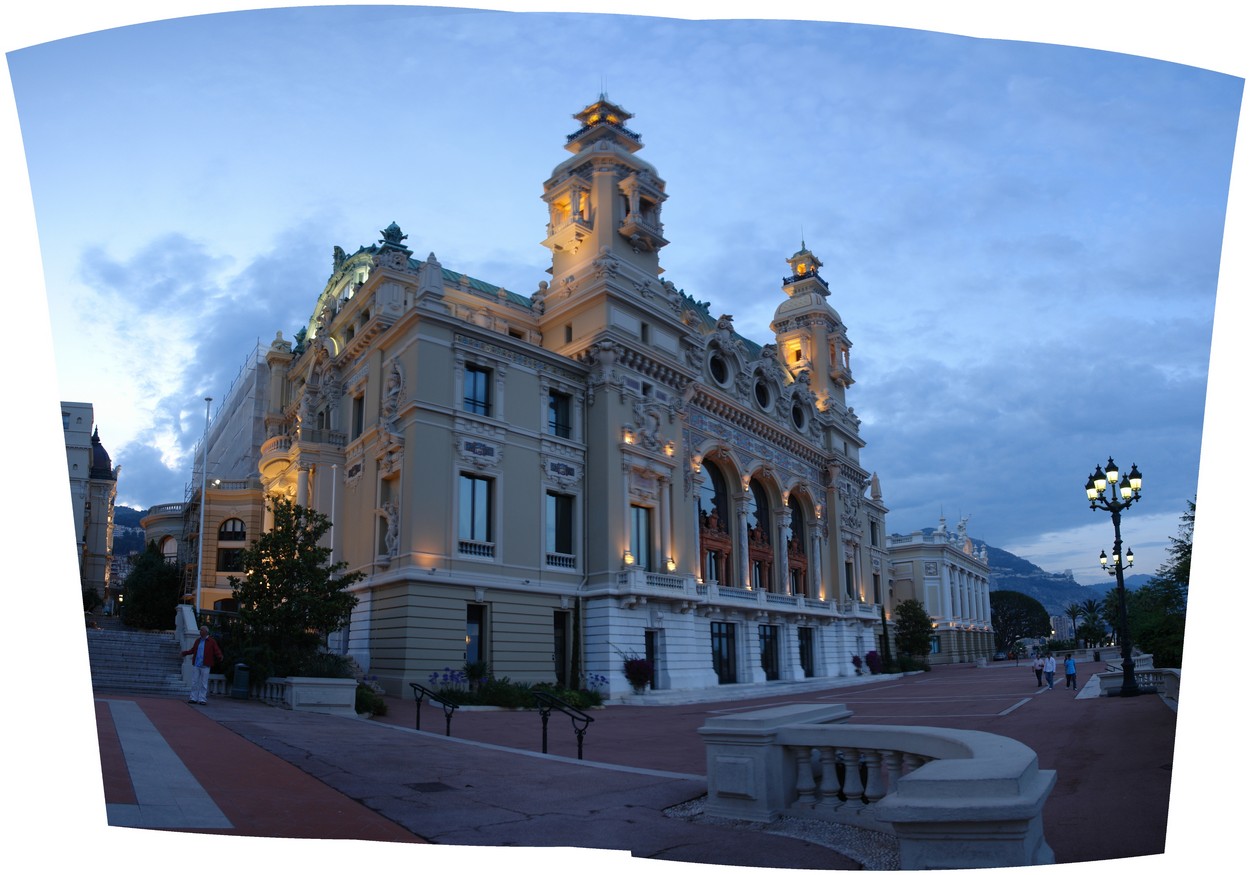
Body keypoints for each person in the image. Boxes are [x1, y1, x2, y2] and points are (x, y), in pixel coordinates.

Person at [181, 625, 223, 705]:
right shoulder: (198, 641)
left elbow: (216, 650)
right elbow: (193, 650)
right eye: (200, 630)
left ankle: (202, 699)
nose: (200, 632)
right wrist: (185, 653)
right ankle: (193, 698)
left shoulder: (211, 641)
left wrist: (220, 656)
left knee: (203, 683)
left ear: (206, 632)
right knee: (194, 682)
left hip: (206, 665)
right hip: (197, 665)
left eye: (202, 630)